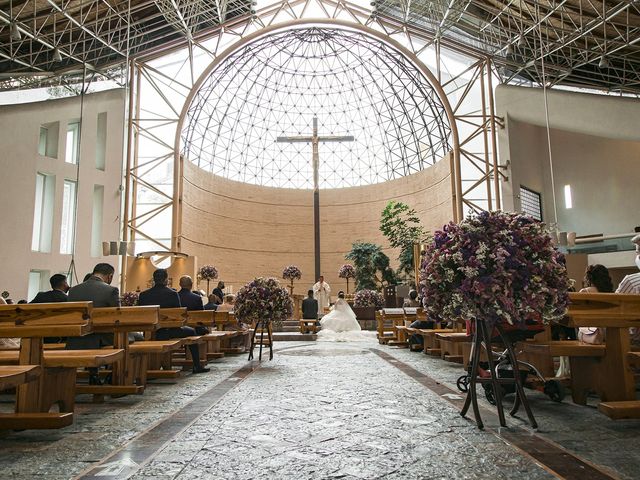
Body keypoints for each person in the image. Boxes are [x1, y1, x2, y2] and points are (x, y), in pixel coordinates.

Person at [138, 269, 209, 374]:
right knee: (192, 332)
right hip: (169, 331)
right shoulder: (172, 294)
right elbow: (178, 317)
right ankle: (197, 366)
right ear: (166, 280)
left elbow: (142, 316)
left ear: (154, 279)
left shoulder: (144, 295)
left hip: (150, 332)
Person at [66, 263, 119, 350]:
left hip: (75, 339)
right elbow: (117, 317)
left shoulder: (73, 290)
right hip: (101, 339)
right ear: (110, 276)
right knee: (135, 338)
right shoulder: (111, 290)